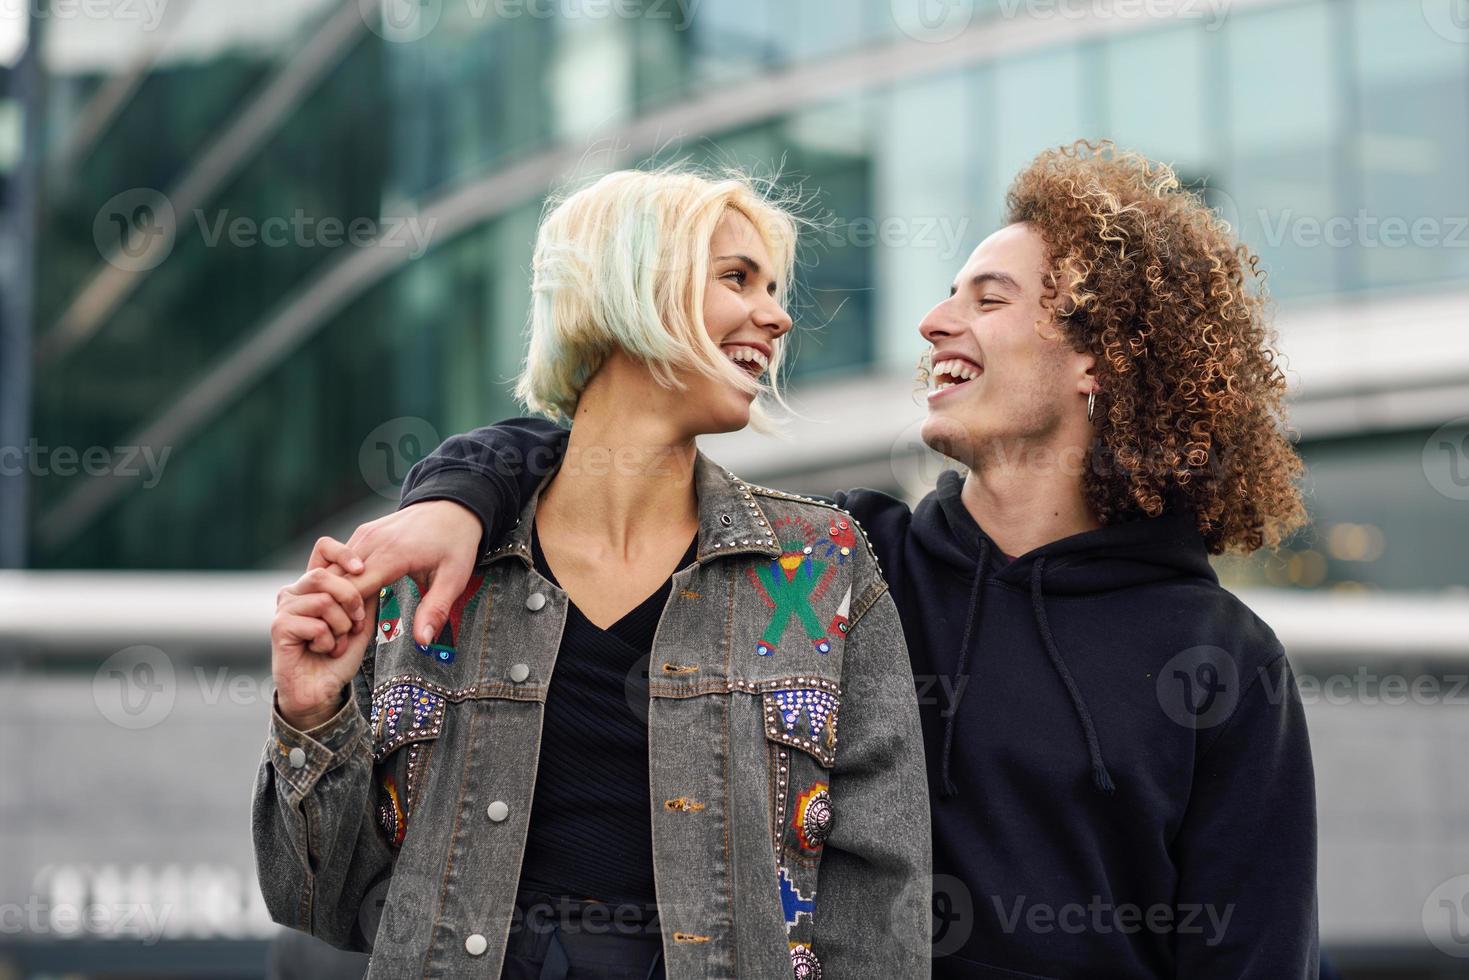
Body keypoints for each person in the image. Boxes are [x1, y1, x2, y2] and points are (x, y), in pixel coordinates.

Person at [337, 141, 1321, 978]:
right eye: (943, 295)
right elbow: (606, 447)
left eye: (987, 298)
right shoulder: (837, 563)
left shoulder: (1224, 659)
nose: (935, 323)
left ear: (1097, 355)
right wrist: (458, 495)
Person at [252, 167, 931, 979]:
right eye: (736, 279)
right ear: (629, 289)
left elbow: (876, 913)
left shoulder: (822, 566)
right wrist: (310, 712)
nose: (777, 316)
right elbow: (322, 901)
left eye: (773, 287)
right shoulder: (431, 572)